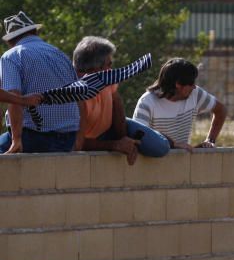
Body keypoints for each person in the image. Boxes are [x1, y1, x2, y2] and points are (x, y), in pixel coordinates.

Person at [68, 36, 171, 163]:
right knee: (159, 146)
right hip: (92, 139)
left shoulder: (107, 77)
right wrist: (115, 145)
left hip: (109, 127)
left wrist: (123, 139)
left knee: (160, 146)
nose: (111, 69)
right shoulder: (76, 92)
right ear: (96, 68)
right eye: (109, 64)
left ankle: (170, 140)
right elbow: (77, 144)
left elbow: (117, 106)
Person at [0, 11, 78, 153]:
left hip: (33, 137)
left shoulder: (11, 56)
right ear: (34, 31)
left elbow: (14, 99)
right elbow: (78, 95)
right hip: (69, 137)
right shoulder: (59, 53)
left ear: (10, 41)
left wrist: (16, 140)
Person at [133, 58, 227, 151]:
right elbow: (138, 136)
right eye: (191, 83)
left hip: (182, 162)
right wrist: (173, 144)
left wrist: (210, 140)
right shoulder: (147, 102)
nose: (194, 87)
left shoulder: (196, 94)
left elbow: (221, 110)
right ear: (178, 84)